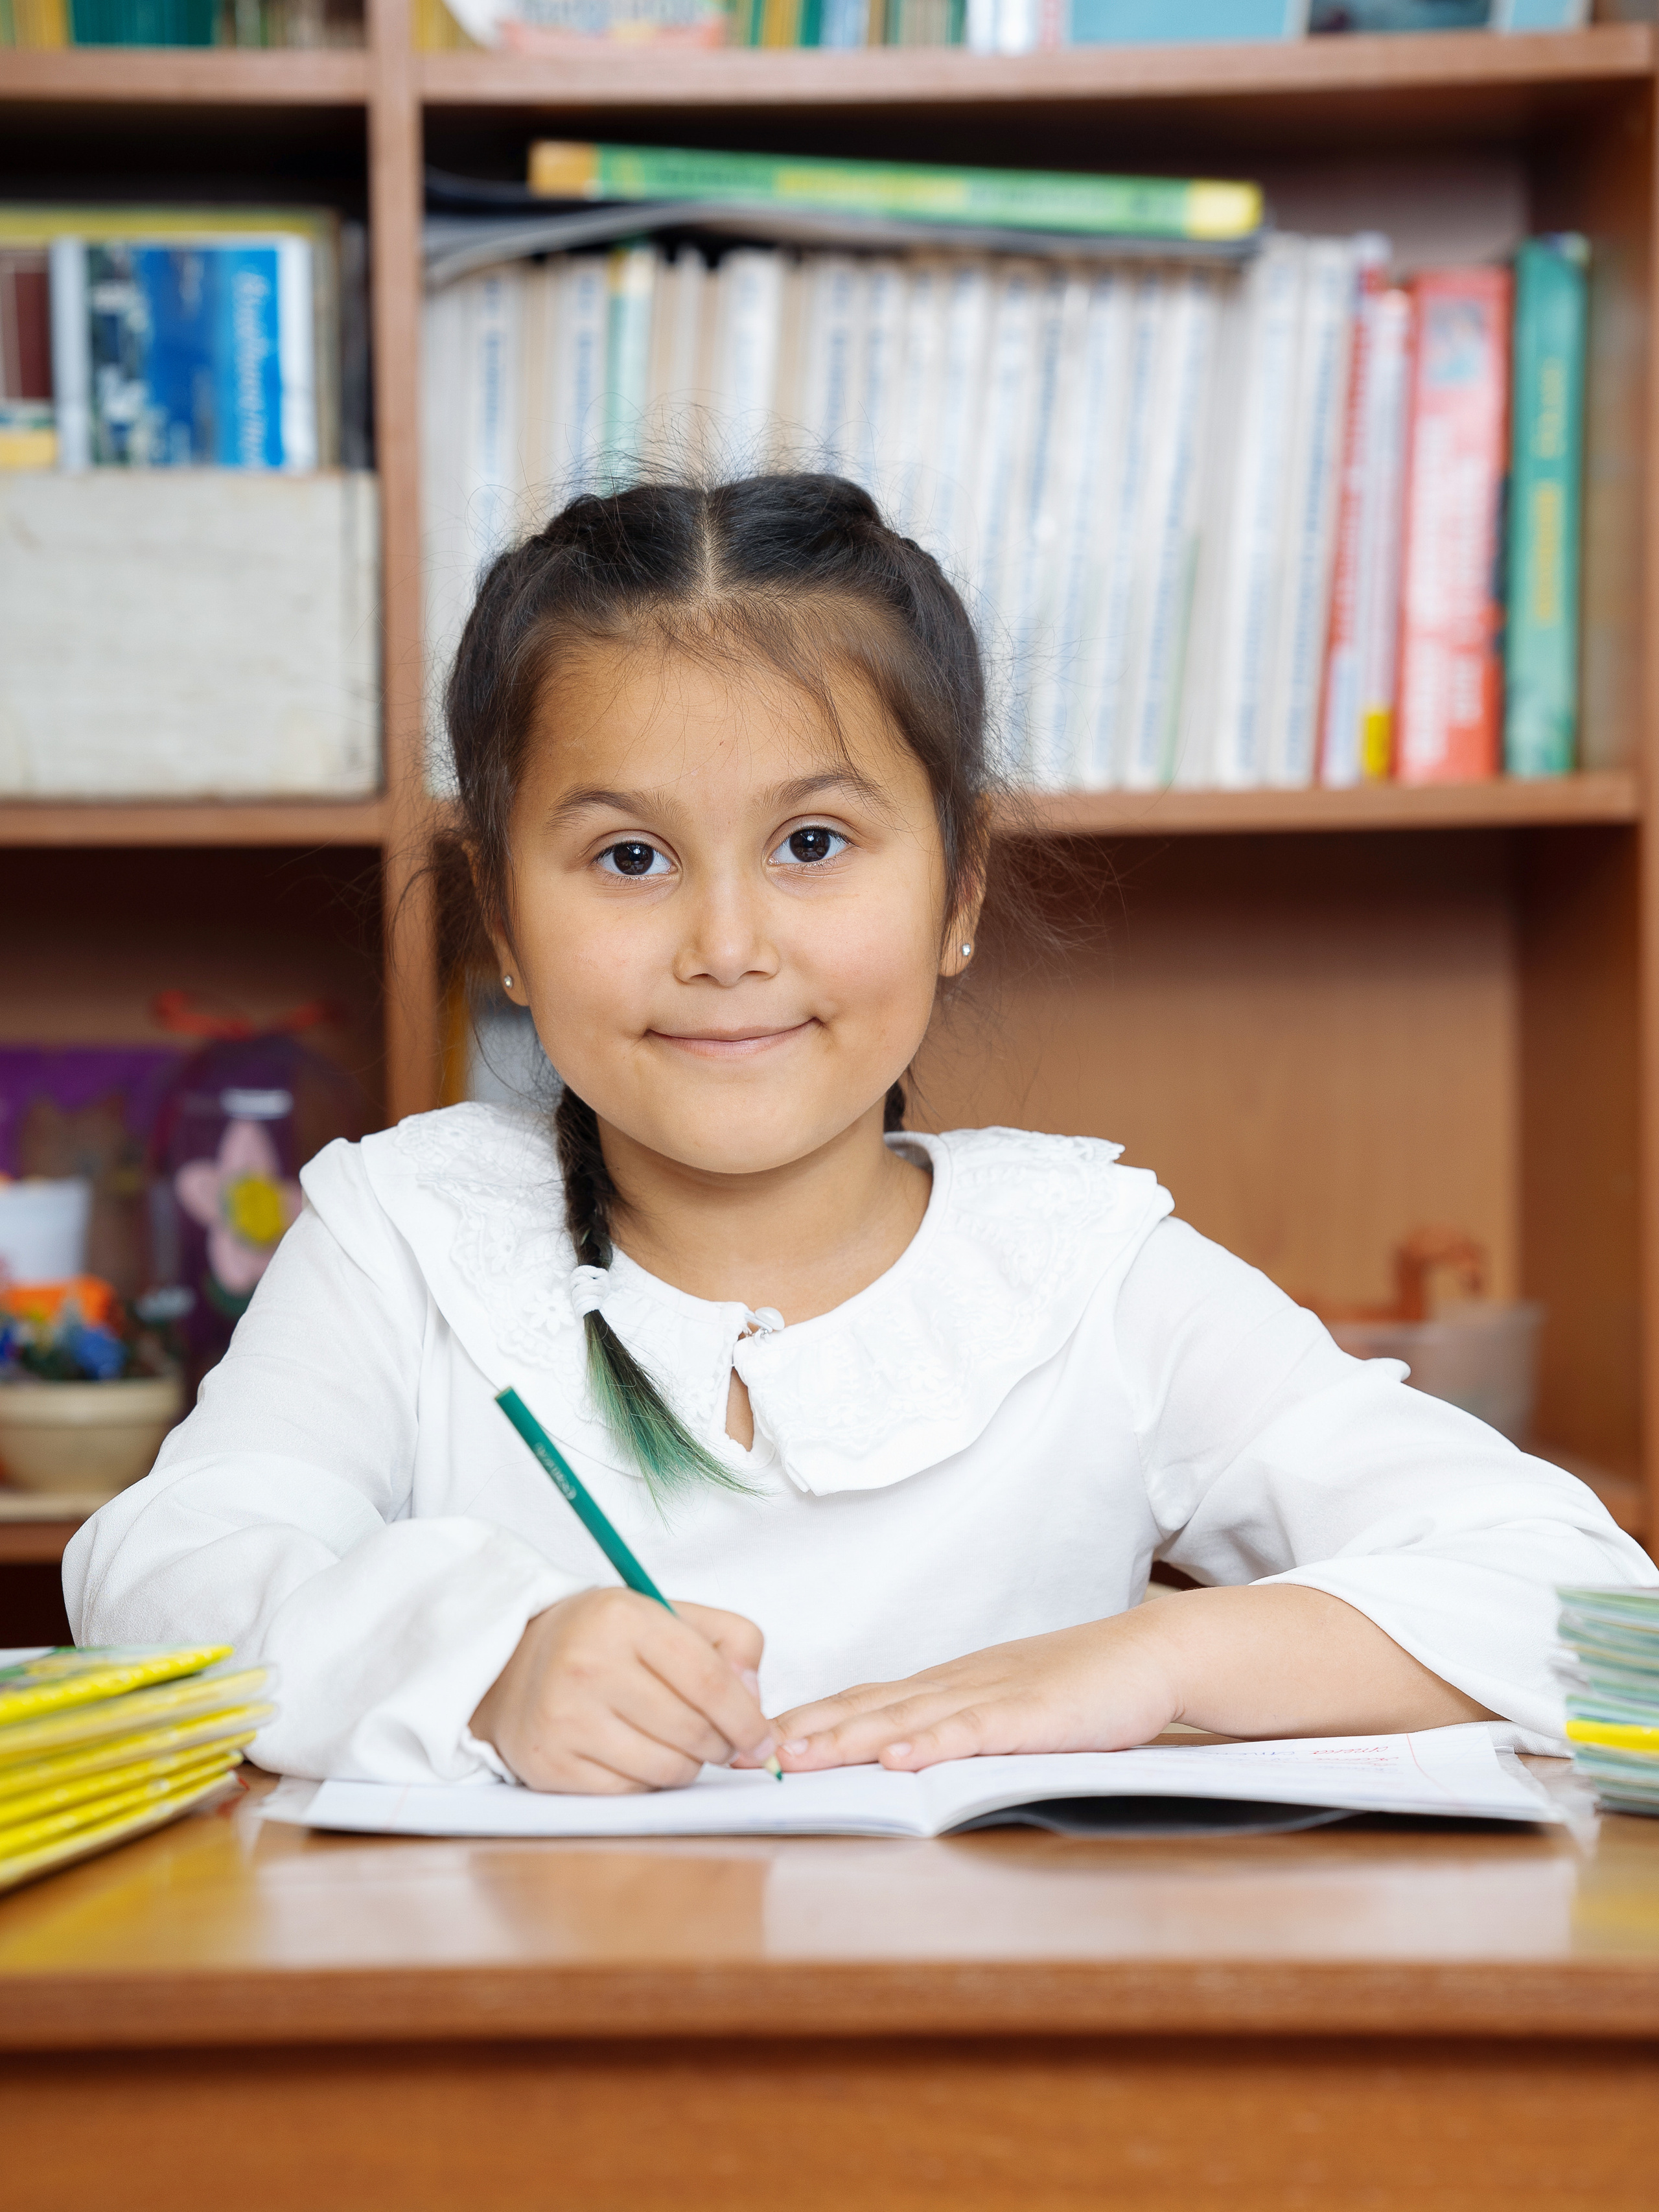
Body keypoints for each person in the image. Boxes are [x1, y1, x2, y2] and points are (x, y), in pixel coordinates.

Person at [65, 474, 1654, 1793]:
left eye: (812, 842)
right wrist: (483, 1663)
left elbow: (1577, 1597)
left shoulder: (1084, 1275)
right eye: (628, 859)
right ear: (501, 920)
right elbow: (157, 1580)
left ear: (957, 891)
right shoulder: (406, 1237)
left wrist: (1156, 1660)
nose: (725, 944)